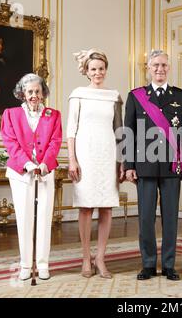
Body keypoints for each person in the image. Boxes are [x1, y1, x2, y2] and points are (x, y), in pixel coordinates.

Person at [124, 50, 182, 281]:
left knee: (171, 217)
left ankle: (170, 265)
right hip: (145, 165)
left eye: (163, 65)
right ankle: (149, 264)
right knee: (145, 217)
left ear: (169, 68)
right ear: (148, 68)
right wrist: (129, 165)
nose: (160, 69)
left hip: (173, 166)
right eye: (155, 65)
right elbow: (129, 133)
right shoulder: (136, 96)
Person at [67, 49, 125, 279]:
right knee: (86, 206)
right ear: (87, 71)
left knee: (107, 206)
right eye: (94, 69)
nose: (98, 72)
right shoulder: (78, 94)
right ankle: (85, 258)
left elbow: (120, 131)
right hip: (85, 155)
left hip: (108, 155)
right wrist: (72, 159)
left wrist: (121, 162)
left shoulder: (114, 96)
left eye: (101, 68)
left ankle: (100, 258)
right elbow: (71, 130)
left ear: (105, 70)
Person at [0, 73, 62, 281]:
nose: (34, 95)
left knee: (44, 217)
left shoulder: (53, 115)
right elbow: (10, 142)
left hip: (45, 171)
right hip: (20, 173)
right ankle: (26, 265)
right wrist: (27, 164)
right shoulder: (10, 114)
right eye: (29, 92)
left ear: (43, 93)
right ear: (22, 94)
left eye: (37, 91)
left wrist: (45, 163)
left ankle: (43, 264)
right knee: (24, 218)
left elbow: (55, 141)